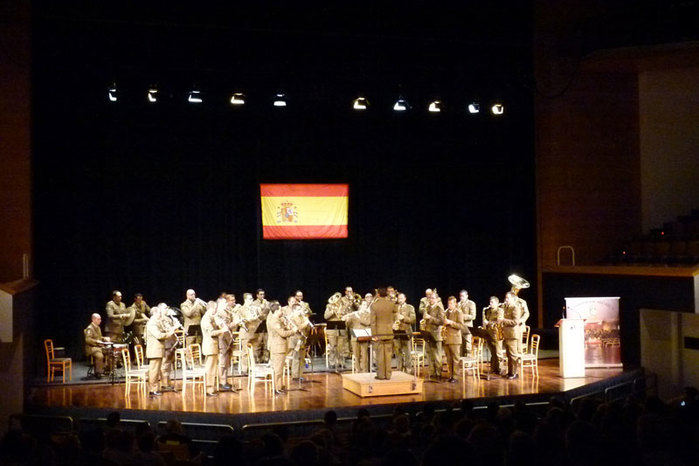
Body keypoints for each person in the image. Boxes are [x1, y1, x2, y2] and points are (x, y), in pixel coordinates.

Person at [145, 304, 176, 396]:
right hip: (154, 350)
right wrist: (170, 333)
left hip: (158, 350)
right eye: (159, 313)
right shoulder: (152, 323)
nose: (160, 314)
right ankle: (153, 389)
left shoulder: (157, 322)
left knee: (156, 371)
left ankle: (155, 388)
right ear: (154, 313)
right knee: (154, 371)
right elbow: (158, 335)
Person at [266, 300, 295, 393]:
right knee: (278, 369)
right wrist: (293, 331)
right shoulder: (274, 321)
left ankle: (279, 386)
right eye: (280, 310)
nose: (282, 312)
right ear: (276, 311)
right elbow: (282, 333)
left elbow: (283, 329)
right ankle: (276, 388)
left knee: (279, 368)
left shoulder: (277, 319)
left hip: (279, 346)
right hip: (278, 347)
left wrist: (287, 325)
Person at [201, 299, 227, 396]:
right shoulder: (206, 320)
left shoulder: (211, 318)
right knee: (210, 369)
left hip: (213, 347)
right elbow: (211, 333)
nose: (216, 311)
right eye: (215, 309)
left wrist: (221, 325)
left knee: (213, 369)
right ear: (211, 309)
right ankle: (209, 390)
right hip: (209, 347)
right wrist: (222, 330)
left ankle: (212, 388)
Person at [371, 287, 396, 380]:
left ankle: (381, 375)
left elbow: (373, 322)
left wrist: (374, 335)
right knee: (388, 355)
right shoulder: (391, 304)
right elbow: (395, 313)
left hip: (379, 334)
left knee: (380, 355)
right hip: (389, 333)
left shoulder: (374, 305)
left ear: (378, 295)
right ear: (387, 294)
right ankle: (388, 375)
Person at [501, 291, 529, 379]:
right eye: (506, 298)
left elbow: (516, 321)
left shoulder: (516, 306)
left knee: (513, 354)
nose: (506, 300)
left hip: (514, 333)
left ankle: (514, 373)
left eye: (508, 298)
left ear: (513, 298)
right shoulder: (506, 307)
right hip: (507, 333)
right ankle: (510, 372)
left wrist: (503, 320)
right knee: (509, 354)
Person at [284, 298, 313, 380]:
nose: (301, 311)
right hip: (295, 340)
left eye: (301, 309)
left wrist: (308, 325)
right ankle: (295, 375)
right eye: (299, 310)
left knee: (302, 358)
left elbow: (306, 329)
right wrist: (305, 323)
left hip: (302, 339)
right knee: (296, 358)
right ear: (294, 310)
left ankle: (300, 375)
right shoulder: (292, 318)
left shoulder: (302, 317)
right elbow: (298, 328)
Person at [343, 295, 372, 372]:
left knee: (364, 354)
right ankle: (358, 370)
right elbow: (348, 325)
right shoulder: (354, 314)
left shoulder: (368, 314)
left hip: (364, 336)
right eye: (363, 305)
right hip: (355, 336)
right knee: (356, 355)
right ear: (360, 306)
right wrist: (348, 319)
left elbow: (368, 322)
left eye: (366, 305)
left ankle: (364, 370)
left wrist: (358, 317)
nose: (365, 306)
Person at [324, 292, 350, 370]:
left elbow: (347, 315)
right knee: (333, 347)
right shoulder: (329, 306)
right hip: (332, 330)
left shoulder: (343, 306)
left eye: (338, 298)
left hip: (341, 329)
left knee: (341, 347)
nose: (337, 300)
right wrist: (332, 311)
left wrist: (345, 316)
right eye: (336, 298)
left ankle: (341, 362)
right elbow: (325, 316)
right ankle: (332, 362)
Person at [422, 293, 445, 379]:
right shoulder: (427, 308)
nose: (431, 300)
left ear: (436, 299)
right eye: (430, 298)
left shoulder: (439, 308)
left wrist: (430, 318)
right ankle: (432, 372)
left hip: (436, 334)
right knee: (429, 354)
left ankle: (438, 373)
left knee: (437, 355)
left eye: (433, 298)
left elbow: (441, 321)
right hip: (428, 333)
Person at [443, 296, 466, 382]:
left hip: (455, 339)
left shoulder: (458, 312)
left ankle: (455, 377)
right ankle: (451, 375)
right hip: (447, 338)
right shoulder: (446, 312)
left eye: (452, 303)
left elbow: (461, 326)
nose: (450, 305)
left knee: (455, 359)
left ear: (455, 304)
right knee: (449, 359)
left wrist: (451, 322)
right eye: (449, 303)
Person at [393, 293, 416, 373]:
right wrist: (393, 324)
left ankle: (408, 369)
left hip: (406, 333)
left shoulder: (410, 307)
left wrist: (404, 318)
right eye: (399, 298)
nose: (400, 300)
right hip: (396, 332)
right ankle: (399, 369)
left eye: (401, 298)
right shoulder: (395, 307)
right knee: (397, 351)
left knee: (407, 352)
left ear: (405, 299)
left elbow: (413, 319)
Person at [483, 296, 505, 375]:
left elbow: (498, 322)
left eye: (492, 302)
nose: (490, 304)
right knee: (493, 352)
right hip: (489, 333)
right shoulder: (488, 311)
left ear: (497, 303)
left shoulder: (500, 310)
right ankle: (494, 368)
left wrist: (488, 323)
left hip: (497, 333)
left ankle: (501, 369)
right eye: (490, 302)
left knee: (498, 352)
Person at [84, 313, 108, 378]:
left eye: (100, 319)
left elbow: (99, 337)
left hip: (98, 347)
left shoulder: (98, 328)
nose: (100, 320)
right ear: (93, 319)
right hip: (91, 348)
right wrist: (96, 341)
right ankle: (98, 373)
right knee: (99, 356)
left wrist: (104, 338)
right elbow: (88, 339)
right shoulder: (90, 328)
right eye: (98, 319)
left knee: (110, 351)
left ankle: (107, 370)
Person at [254, 289, 271, 363]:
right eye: (260, 294)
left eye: (263, 294)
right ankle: (257, 360)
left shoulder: (267, 303)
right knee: (257, 344)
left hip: (266, 326)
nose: (262, 296)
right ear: (257, 295)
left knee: (266, 344)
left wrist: (266, 307)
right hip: (258, 327)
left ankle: (265, 359)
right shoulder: (254, 303)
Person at [458, 290, 476, 356]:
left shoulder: (471, 303)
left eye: (463, 296)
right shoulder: (458, 304)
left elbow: (473, 316)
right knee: (460, 346)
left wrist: (462, 316)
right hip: (459, 328)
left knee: (468, 346)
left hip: (467, 328)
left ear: (467, 296)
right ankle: (461, 362)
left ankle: (468, 363)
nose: (461, 298)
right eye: (460, 296)